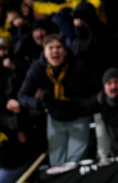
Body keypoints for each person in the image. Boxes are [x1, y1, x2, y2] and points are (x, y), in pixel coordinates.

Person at [17, 34, 98, 165]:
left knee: (75, 161)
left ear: (65, 51)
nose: (55, 51)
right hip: (55, 119)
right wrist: (39, 105)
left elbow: (96, 88)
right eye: (51, 48)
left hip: (78, 117)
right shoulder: (37, 68)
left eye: (59, 47)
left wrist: (85, 105)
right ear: (45, 52)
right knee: (57, 163)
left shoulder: (79, 65)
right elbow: (23, 95)